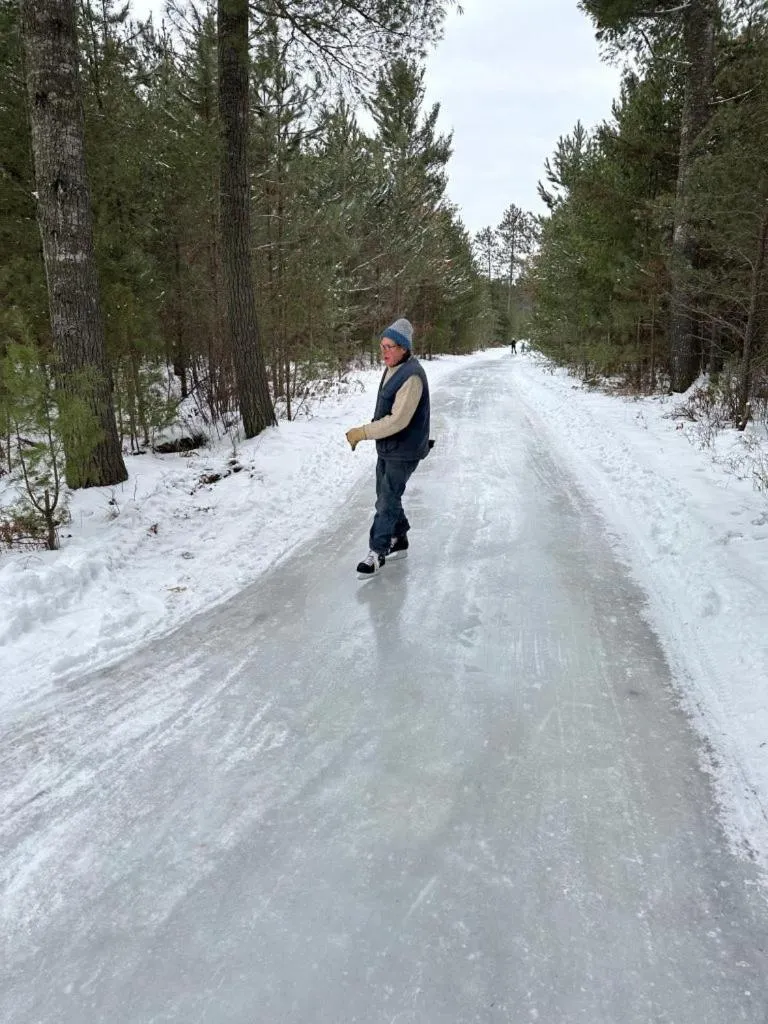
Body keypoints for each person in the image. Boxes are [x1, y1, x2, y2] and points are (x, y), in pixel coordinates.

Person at [345, 317, 431, 576]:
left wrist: (363, 432)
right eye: (382, 346)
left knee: (387, 499)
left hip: (404, 449)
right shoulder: (392, 368)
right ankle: (400, 538)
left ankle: (377, 552)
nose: (384, 352)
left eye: (389, 347)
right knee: (386, 495)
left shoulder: (412, 376)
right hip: (389, 447)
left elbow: (399, 420)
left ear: (404, 347)